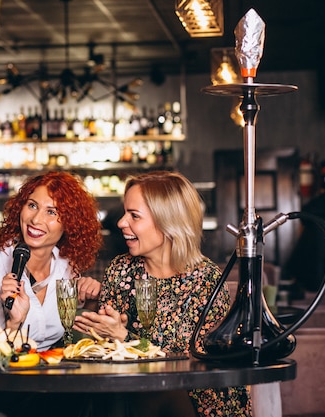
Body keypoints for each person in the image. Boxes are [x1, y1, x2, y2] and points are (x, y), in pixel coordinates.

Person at [73, 170, 252, 417]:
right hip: (133, 395)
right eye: (125, 213)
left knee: (156, 391)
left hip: (199, 398)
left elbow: (192, 365)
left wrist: (124, 336)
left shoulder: (205, 279)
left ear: (168, 223)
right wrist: (97, 319)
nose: (121, 223)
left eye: (134, 215)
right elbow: (104, 353)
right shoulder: (121, 269)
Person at [0, 170, 104, 351]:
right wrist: (14, 323)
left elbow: (77, 326)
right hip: (7, 374)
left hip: (54, 370)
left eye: (51, 212)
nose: (36, 219)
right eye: (32, 206)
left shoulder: (66, 267)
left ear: (70, 223)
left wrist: (91, 300)